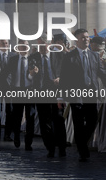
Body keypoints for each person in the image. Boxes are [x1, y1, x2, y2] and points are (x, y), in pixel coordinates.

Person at [60, 29, 106, 161]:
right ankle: (83, 151)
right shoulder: (69, 56)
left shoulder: (94, 55)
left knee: (92, 121)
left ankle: (81, 142)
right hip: (76, 95)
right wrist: (61, 97)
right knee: (78, 124)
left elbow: (102, 74)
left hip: (91, 95)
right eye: (83, 38)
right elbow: (64, 78)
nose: (86, 39)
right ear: (76, 40)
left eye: (87, 37)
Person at [28, 34, 67, 158]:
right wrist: (32, 74)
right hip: (41, 93)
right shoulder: (33, 57)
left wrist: (61, 78)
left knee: (59, 120)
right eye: (38, 45)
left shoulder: (59, 55)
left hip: (57, 92)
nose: (41, 48)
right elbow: (28, 76)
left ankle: (62, 148)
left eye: (42, 45)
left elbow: (68, 72)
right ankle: (50, 148)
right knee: (45, 123)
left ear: (49, 44)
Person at [0, 40, 35, 151]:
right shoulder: (13, 59)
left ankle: (28, 142)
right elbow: (5, 73)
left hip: (30, 91)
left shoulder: (33, 59)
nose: (24, 47)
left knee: (30, 117)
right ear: (18, 47)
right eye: (22, 45)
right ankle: (16, 136)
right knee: (17, 116)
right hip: (16, 91)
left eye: (26, 45)